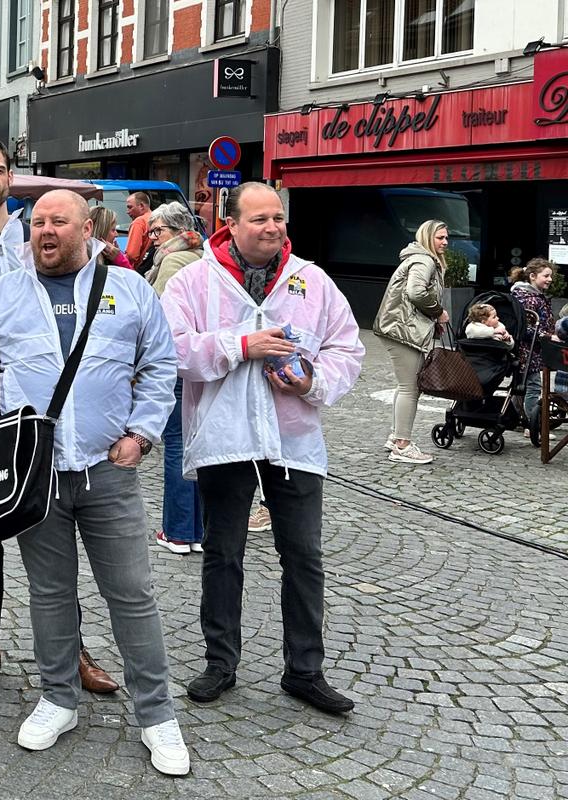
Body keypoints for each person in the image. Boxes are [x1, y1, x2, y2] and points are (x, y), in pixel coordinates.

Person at [0, 190, 189, 776]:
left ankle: (157, 715)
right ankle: (58, 698)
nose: (46, 231)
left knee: (131, 593)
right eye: (39, 223)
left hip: (109, 468)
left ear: (87, 229)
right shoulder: (3, 296)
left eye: (59, 221)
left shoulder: (127, 290)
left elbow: (159, 364)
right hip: (37, 473)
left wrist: (143, 432)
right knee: (50, 593)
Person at [161, 182, 365, 716]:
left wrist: (312, 380)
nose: (273, 227)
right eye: (260, 219)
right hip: (224, 437)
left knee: (303, 555)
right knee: (223, 552)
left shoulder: (311, 281)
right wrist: (239, 345)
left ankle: (305, 670)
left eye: (279, 217)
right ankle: (220, 663)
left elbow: (348, 346)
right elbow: (172, 348)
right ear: (231, 224)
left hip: (292, 439)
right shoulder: (193, 281)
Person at [0, 133, 119, 693]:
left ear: (9, 177)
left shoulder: (36, 228)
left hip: (43, 406)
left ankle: (75, 648)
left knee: (56, 527)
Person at [147, 202, 206, 555]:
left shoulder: (173, 261)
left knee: (176, 447)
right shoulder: (201, 256)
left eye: (158, 231)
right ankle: (196, 531)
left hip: (175, 361)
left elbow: (159, 315)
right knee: (193, 446)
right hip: (200, 362)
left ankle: (178, 531)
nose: (153, 238)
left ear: (175, 231)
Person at [371, 220, 449, 465]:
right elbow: (416, 292)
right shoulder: (424, 260)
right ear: (427, 237)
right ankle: (402, 445)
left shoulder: (419, 258)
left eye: (446, 238)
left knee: (404, 385)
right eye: (440, 238)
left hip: (399, 328)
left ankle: (396, 437)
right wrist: (438, 312)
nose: (445, 242)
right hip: (404, 330)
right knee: (410, 388)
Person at [511, 259, 561, 434]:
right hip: (527, 350)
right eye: (546, 276)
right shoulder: (529, 299)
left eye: (550, 276)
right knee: (532, 386)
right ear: (532, 276)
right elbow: (527, 329)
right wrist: (548, 336)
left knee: (520, 385)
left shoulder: (531, 295)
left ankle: (519, 418)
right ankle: (534, 426)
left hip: (529, 349)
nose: (550, 279)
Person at [123, 191, 151, 269]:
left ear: (141, 206)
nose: (127, 212)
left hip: (140, 270)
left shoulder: (139, 222)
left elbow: (131, 255)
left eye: (130, 207)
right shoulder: (157, 218)